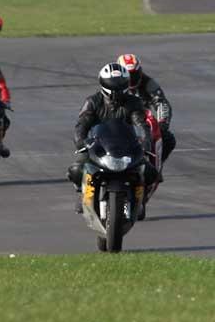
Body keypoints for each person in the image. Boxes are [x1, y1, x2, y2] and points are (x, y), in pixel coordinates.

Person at [67, 63, 153, 213]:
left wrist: (146, 142)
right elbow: (81, 125)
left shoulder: (134, 102)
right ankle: (82, 193)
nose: (116, 89)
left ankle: (140, 199)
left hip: (126, 145)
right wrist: (81, 141)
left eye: (120, 85)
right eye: (112, 85)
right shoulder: (93, 102)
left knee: (150, 172)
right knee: (76, 169)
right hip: (97, 145)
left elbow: (141, 123)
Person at [117, 54, 176, 164]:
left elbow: (162, 103)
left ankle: (154, 168)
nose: (131, 79)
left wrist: (162, 124)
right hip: (118, 120)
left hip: (141, 121)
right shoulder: (115, 83)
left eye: (134, 74)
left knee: (168, 139)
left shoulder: (148, 83)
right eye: (128, 75)